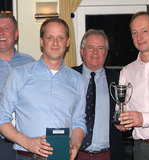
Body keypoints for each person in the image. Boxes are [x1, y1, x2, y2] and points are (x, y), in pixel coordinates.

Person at [0, 17, 87, 160]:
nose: (55, 43)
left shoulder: (78, 80)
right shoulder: (18, 75)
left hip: (62, 157)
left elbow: (78, 122)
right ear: (42, 41)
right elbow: (2, 119)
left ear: (67, 42)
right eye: (50, 37)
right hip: (26, 156)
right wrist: (28, 143)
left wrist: (75, 146)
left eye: (60, 38)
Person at [72, 29, 125, 160]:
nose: (95, 52)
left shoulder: (119, 80)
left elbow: (127, 113)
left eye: (100, 48)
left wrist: (126, 125)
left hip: (109, 155)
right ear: (82, 51)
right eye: (90, 47)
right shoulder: (68, 77)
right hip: (75, 154)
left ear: (106, 53)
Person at [116, 11, 149, 160]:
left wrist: (143, 119)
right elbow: (121, 106)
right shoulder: (127, 71)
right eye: (134, 32)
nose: (139, 37)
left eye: (144, 31)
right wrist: (123, 122)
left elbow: (141, 118)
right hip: (140, 148)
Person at [0, 13, 35, 160]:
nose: (1, 33)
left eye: (6, 28)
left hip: (28, 141)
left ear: (16, 34)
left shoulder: (31, 64)